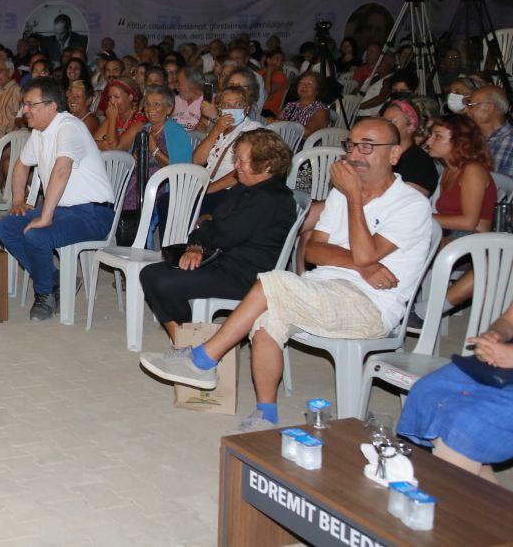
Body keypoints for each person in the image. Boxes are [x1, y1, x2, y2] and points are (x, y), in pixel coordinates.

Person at [140, 118, 433, 431]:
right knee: (266, 321)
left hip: (370, 305)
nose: (355, 154)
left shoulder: (410, 204)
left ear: (394, 154)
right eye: (351, 145)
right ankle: (266, 412)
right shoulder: (341, 195)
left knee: (272, 282)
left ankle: (203, 359)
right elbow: (313, 250)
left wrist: (355, 203)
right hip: (322, 288)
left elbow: (364, 252)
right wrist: (363, 264)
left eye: (367, 146)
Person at [139, 129, 298, 339]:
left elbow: (223, 233)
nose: (236, 165)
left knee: (161, 280)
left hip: (246, 276)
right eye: (236, 159)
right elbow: (214, 223)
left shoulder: (271, 198)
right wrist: (197, 243)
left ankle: (189, 341)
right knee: (151, 273)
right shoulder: (246, 188)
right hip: (223, 260)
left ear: (267, 166)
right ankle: (187, 339)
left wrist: (203, 228)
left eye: (242, 161)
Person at [0, 77, 116, 320]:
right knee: (7, 226)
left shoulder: (68, 127)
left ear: (51, 107)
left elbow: (62, 170)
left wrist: (45, 216)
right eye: (24, 104)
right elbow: (21, 164)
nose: (24, 110)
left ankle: (45, 294)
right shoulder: (40, 132)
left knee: (36, 235)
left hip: (93, 213)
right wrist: (18, 200)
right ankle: (58, 280)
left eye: (30, 104)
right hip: (63, 210)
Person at [396, 294, 513, 483]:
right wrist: (495, 337)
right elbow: (508, 320)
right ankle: (476, 478)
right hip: (503, 370)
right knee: (428, 391)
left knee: (468, 424)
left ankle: (456, 488)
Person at [426, 114, 496, 237]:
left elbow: (468, 223)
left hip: (472, 241)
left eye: (438, 136)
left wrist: (422, 217)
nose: (428, 141)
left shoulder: (473, 170)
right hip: (449, 234)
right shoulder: (449, 170)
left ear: (459, 141)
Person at [192, 86, 262, 200]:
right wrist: (215, 131)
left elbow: (246, 170)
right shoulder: (219, 128)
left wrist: (208, 190)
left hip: (230, 191)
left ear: (247, 109)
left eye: (238, 105)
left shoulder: (254, 130)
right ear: (220, 110)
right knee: (167, 200)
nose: (232, 109)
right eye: (226, 105)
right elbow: (197, 161)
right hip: (206, 184)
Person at [381, 100, 440, 197]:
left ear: (411, 127)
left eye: (391, 122)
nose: (383, 126)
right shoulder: (380, 152)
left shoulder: (421, 163)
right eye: (383, 121)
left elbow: (408, 200)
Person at [464, 85, 513, 176]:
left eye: (471, 106)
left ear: (489, 108)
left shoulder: (509, 141)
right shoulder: (472, 138)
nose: (467, 110)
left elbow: (504, 183)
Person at [93, 77, 147, 153]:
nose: (112, 101)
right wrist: (104, 145)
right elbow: (92, 143)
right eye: (110, 97)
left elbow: (114, 149)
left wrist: (112, 119)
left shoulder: (140, 122)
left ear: (130, 97)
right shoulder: (113, 115)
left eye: (116, 97)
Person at [279, 71, 331, 138]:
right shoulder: (290, 105)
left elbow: (309, 132)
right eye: (301, 83)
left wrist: (283, 123)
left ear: (317, 90)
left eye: (309, 84)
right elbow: (275, 122)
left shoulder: (321, 110)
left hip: (304, 144)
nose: (304, 86)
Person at [261, 49, 289, 118]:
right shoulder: (261, 72)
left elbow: (267, 92)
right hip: (258, 107)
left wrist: (269, 72)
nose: (279, 62)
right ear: (268, 60)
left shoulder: (281, 76)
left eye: (282, 60)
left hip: (268, 111)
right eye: (277, 59)